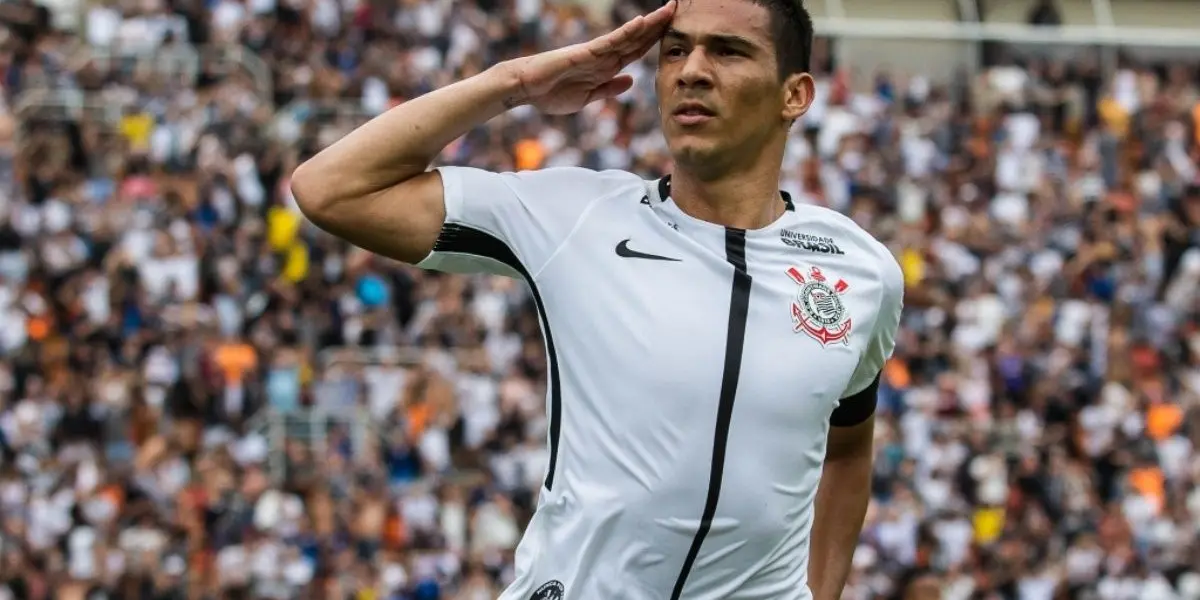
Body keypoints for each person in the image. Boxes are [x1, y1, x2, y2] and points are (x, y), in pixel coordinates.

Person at [290, 0, 904, 597]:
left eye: (728, 51)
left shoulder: (861, 272)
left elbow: (847, 449)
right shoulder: (574, 216)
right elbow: (330, 189)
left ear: (795, 95)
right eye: (675, 51)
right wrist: (515, 83)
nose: (691, 70)